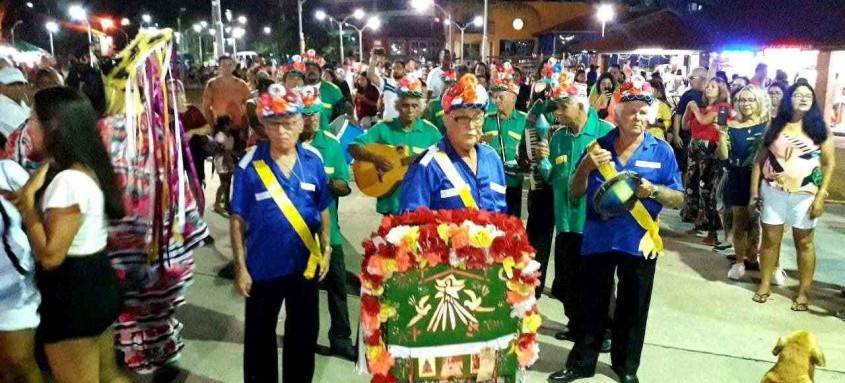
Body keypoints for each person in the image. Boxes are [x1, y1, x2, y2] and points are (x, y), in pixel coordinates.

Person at [550, 81, 684, 383]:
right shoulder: (599, 146)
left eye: (642, 112)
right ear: (618, 113)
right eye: (630, 111)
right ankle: (581, 363)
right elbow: (574, 191)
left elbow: (679, 198)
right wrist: (584, 167)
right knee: (590, 306)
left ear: (649, 115)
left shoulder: (661, 151)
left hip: (639, 241)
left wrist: (654, 191)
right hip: (598, 238)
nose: (636, 117)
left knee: (633, 308)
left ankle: (626, 367)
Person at [9, 87, 129, 382]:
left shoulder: (67, 181)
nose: (27, 129)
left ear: (53, 127)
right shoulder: (79, 167)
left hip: (73, 294)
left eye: (32, 120)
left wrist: (28, 209)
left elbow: (51, 256)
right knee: (108, 375)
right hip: (95, 281)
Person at [230, 84, 333, 382]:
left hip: (305, 268)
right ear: (264, 126)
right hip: (262, 270)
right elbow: (237, 219)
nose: (282, 132)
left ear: (301, 123)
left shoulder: (313, 161)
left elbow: (324, 209)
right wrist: (241, 267)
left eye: (289, 124)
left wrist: (326, 249)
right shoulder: (249, 165)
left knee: (302, 338)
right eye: (274, 125)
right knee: (260, 341)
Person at [534, 78, 614, 345]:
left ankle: (603, 331)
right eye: (555, 107)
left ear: (580, 105)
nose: (556, 112)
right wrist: (543, 160)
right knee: (568, 280)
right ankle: (575, 322)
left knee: (597, 282)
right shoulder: (558, 137)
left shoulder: (605, 133)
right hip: (565, 221)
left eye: (561, 105)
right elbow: (552, 177)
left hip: (594, 223)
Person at [751, 83, 835, 311]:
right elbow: (759, 161)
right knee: (769, 239)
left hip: (806, 194)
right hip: (774, 191)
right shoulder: (776, 125)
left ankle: (803, 293)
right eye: (798, 95)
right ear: (789, 99)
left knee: (805, 242)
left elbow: (828, 165)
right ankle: (765, 283)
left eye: (808, 95)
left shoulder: (820, 128)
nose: (803, 98)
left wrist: (821, 196)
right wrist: (754, 192)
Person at [294, 85, 356, 360]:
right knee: (301, 294)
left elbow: (344, 185)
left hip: (331, 235)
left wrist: (327, 183)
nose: (312, 119)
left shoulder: (330, 145)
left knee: (338, 289)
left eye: (316, 113)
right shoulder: (287, 147)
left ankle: (341, 339)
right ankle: (304, 339)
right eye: (306, 114)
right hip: (296, 236)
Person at [400, 74, 506, 213]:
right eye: (463, 118)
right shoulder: (426, 167)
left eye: (477, 117)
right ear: (446, 119)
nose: (472, 125)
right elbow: (409, 226)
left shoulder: (493, 158)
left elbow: (502, 214)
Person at [349, 76, 442, 215]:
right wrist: (376, 159)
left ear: (420, 108)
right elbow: (353, 147)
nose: (410, 110)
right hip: (390, 204)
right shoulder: (383, 128)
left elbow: (444, 160)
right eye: (405, 105)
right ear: (397, 106)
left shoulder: (432, 133)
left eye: (414, 106)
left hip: (421, 205)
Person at [717, 85, 768, 280]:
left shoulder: (767, 125)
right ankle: (739, 262)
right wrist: (721, 135)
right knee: (739, 221)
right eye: (742, 100)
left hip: (763, 178)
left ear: (758, 102)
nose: (746, 104)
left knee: (762, 223)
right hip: (737, 177)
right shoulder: (730, 126)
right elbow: (724, 155)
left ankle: (756, 258)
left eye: (751, 100)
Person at [0, 159, 43, 383]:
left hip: (14, 287)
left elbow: (41, 207)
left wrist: (25, 197)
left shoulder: (8, 171)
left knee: (19, 363)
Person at [681, 77, 731, 244]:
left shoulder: (722, 108)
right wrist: (690, 109)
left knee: (707, 189)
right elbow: (685, 126)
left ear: (720, 90)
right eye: (707, 86)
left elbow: (705, 122)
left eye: (713, 86)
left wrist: (693, 108)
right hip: (694, 148)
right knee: (692, 185)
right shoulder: (701, 108)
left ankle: (712, 231)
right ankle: (697, 222)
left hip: (710, 151)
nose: (708, 89)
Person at [483, 66, 527, 217]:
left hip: (514, 182)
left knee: (513, 222)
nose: (497, 101)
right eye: (495, 97)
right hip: (490, 183)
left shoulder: (524, 121)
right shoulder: (486, 120)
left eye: (501, 97)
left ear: (513, 98)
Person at [202, 56, 252, 154]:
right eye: (224, 65)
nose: (227, 68)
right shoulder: (212, 85)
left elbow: (248, 107)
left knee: (238, 157)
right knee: (220, 158)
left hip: (238, 127)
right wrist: (212, 126)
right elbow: (206, 108)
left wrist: (244, 128)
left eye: (230, 65)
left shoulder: (241, 85)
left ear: (233, 67)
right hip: (219, 127)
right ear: (219, 67)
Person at [303, 50, 348, 131]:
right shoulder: (298, 91)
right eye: (308, 68)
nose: (311, 71)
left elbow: (340, 118)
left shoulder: (334, 90)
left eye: (314, 68)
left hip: (327, 138)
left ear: (320, 72)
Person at [670, 67, 707, 163]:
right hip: (686, 137)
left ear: (702, 79)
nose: (689, 81)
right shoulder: (688, 94)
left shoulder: (710, 96)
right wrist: (676, 134)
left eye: (691, 78)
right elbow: (678, 115)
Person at [367, 51, 407, 121]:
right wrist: (374, 59)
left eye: (399, 68)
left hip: (403, 122)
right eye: (394, 68)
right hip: (388, 122)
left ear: (404, 70)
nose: (396, 70)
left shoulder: (411, 85)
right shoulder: (386, 82)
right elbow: (370, 75)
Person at [422, 69, 459, 135]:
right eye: (447, 83)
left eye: (452, 84)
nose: (449, 87)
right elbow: (425, 127)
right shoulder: (433, 106)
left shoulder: (460, 106)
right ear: (441, 84)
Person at [212, 116, 236, 215]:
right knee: (224, 184)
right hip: (221, 161)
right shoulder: (220, 136)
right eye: (229, 123)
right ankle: (217, 204)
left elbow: (229, 151)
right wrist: (230, 161)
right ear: (225, 125)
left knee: (228, 183)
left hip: (228, 161)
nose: (231, 125)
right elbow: (222, 152)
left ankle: (226, 203)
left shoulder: (230, 137)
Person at [0, 68, 31, 144]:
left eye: (20, 83)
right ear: (1, 86)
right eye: (11, 85)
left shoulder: (22, 103)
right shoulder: (4, 107)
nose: (17, 88)